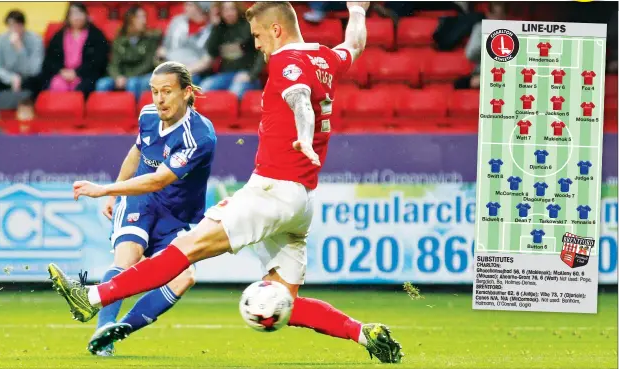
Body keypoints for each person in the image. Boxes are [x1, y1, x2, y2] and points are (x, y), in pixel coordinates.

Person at [48, 2, 403, 364]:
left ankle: (92, 297)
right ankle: (363, 333)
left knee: (186, 249)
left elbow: (300, 102)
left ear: (276, 30)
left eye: (258, 36)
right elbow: (354, 45)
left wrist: (305, 137)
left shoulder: (285, 62)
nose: (258, 45)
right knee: (284, 302)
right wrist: (358, 10)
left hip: (271, 189)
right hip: (302, 201)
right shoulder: (325, 59)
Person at [85, 61, 217, 356]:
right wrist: (116, 192)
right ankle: (101, 335)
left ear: (186, 92)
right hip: (139, 201)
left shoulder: (200, 137)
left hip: (176, 214)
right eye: (154, 91)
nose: (159, 99)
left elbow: (158, 180)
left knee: (185, 277)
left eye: (167, 92)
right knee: (127, 257)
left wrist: (105, 189)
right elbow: (137, 152)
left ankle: (117, 331)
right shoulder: (147, 115)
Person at [188, 2, 265, 98]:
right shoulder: (220, 28)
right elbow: (212, 51)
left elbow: (262, 53)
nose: (229, 13)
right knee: (205, 87)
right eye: (225, 10)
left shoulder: (249, 25)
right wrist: (215, 27)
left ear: (238, 9)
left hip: (246, 73)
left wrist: (251, 75)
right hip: (226, 74)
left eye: (232, 9)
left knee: (234, 92)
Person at [40, 2, 109, 98]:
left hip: (86, 75)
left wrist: (77, 73)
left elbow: (99, 61)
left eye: (80, 13)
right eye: (73, 14)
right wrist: (61, 71)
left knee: (82, 89)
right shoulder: (59, 36)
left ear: (86, 15)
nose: (77, 17)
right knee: (55, 84)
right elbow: (50, 60)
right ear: (68, 17)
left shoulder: (96, 35)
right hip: (62, 74)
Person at [95, 6, 163, 100]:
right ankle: (102, 112)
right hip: (121, 76)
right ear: (130, 20)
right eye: (139, 17)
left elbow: (148, 64)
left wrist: (127, 77)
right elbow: (114, 63)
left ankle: (135, 112)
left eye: (144, 17)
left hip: (141, 75)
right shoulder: (119, 40)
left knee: (132, 83)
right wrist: (117, 76)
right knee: (102, 84)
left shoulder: (150, 38)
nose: (143, 20)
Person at [0, 10, 44, 100]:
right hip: (8, 78)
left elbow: (34, 70)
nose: (14, 30)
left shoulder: (35, 40)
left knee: (35, 83)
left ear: (23, 26)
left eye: (17, 26)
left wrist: (20, 49)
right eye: (10, 26)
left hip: (27, 78)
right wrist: (11, 78)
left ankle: (26, 109)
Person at [156, 2, 213, 84]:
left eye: (190, 5)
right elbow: (164, 48)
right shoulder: (177, 22)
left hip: (195, 72)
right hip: (170, 69)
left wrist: (187, 70)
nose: (185, 7)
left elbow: (208, 59)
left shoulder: (210, 29)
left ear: (200, 7)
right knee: (138, 83)